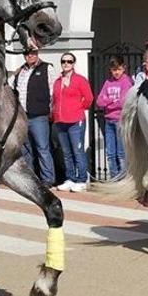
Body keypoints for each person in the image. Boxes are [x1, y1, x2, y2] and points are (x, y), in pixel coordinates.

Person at [11, 49, 58, 187]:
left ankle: (48, 178)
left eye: (32, 53)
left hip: (39, 116)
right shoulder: (21, 71)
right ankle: (31, 177)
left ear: (37, 54)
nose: (29, 55)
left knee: (42, 148)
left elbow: (53, 91)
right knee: (26, 148)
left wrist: (51, 110)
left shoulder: (46, 68)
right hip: (23, 116)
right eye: (27, 53)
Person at [52, 52, 94, 192]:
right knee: (66, 152)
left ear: (73, 63)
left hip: (75, 120)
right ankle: (70, 178)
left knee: (77, 150)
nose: (66, 64)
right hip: (60, 120)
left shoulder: (80, 80)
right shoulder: (57, 81)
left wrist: (78, 109)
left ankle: (81, 179)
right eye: (63, 61)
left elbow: (89, 98)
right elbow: (55, 100)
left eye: (69, 61)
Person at [95, 55, 133, 179]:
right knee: (110, 153)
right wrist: (112, 100)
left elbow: (123, 102)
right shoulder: (108, 82)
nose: (116, 72)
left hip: (120, 120)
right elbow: (99, 102)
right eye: (113, 69)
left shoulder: (126, 82)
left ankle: (123, 178)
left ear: (124, 68)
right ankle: (114, 178)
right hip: (108, 120)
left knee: (121, 153)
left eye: (118, 69)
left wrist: (108, 101)